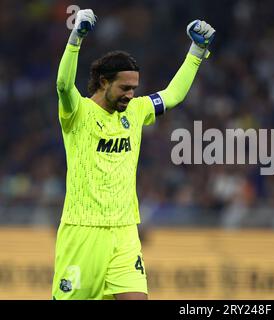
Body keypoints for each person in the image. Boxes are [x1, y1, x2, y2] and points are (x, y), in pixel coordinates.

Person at [52, 9, 216, 300]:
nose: (131, 94)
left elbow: (173, 95)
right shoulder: (77, 112)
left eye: (134, 88)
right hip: (83, 231)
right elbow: (64, 85)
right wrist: (76, 37)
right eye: (125, 88)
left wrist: (197, 50)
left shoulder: (137, 111)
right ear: (104, 82)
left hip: (125, 231)